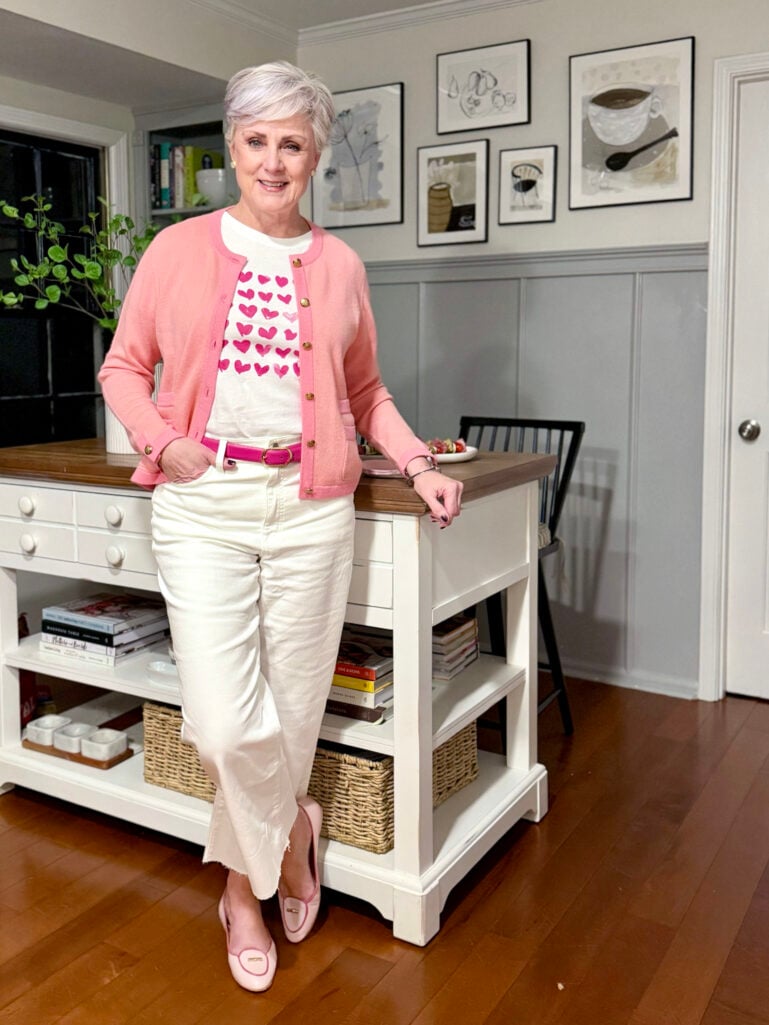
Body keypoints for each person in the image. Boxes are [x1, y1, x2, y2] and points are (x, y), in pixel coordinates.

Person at [98, 60, 463, 993]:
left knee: (293, 712)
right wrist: (162, 441)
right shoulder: (178, 249)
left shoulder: (339, 264)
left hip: (311, 511)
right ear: (232, 147)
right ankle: (292, 831)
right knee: (223, 725)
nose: (272, 160)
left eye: (291, 143)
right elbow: (123, 368)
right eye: (256, 141)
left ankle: (242, 890)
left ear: (314, 156)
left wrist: (417, 462)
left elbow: (364, 392)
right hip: (203, 506)